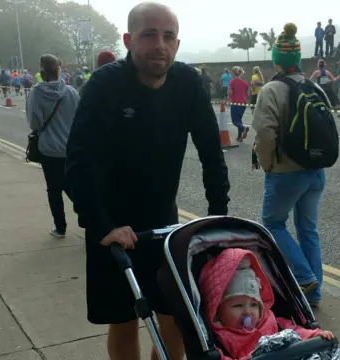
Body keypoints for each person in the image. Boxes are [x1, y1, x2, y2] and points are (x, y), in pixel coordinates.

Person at [64, 3, 231, 360]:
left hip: (163, 223)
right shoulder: (105, 85)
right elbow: (80, 162)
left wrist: (217, 216)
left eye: (168, 36)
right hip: (112, 225)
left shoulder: (187, 83)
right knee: (123, 320)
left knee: (174, 320)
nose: (160, 44)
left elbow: (211, 154)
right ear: (128, 40)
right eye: (149, 34)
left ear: (177, 42)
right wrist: (101, 224)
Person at [252, 23, 327, 308]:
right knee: (308, 230)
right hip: (315, 171)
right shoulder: (314, 86)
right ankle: (314, 294)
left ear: (276, 61)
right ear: (297, 61)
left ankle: (304, 276)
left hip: (286, 172)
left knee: (272, 224)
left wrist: (268, 164)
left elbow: (265, 133)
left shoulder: (271, 90)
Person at [198, 248, 334, 360]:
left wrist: (313, 335)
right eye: (237, 306)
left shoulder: (272, 322)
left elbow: (295, 331)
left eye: (254, 305)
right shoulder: (220, 339)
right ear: (218, 309)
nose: (247, 312)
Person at [26, 54, 80, 238]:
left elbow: (34, 123)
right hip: (70, 148)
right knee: (74, 186)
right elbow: (79, 119)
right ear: (60, 69)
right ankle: (92, 220)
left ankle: (60, 228)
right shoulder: (71, 92)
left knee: (54, 189)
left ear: (42, 72)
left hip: (48, 149)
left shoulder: (36, 93)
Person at [228, 66, 250, 142]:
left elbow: (230, 92)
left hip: (235, 103)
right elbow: (247, 94)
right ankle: (239, 137)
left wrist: (229, 99)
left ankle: (243, 128)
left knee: (235, 121)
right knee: (239, 120)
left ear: (233, 73)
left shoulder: (232, 82)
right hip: (243, 103)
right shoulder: (245, 83)